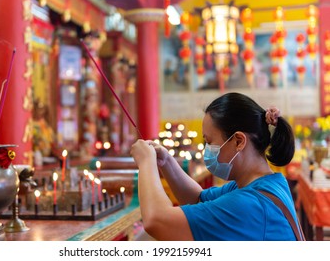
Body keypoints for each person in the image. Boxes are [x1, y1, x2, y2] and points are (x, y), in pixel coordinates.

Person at [130, 92, 304, 241]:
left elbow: (157, 221)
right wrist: (166, 162)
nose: (207, 150)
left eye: (209, 142)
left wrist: (146, 163)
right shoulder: (264, 184)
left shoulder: (250, 203)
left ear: (238, 141)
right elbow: (198, 199)